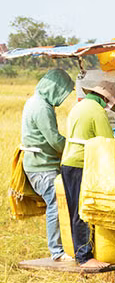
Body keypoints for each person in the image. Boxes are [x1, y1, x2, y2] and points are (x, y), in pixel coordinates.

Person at [61, 81, 115, 271]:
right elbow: (107, 141)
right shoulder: (97, 110)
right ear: (105, 98)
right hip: (81, 164)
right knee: (84, 211)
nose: (107, 105)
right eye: (108, 102)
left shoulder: (79, 106)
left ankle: (79, 253)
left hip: (68, 162)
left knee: (75, 210)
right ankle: (85, 257)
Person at [20, 69, 74, 261]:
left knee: (57, 205)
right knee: (55, 205)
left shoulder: (33, 101)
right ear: (54, 88)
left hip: (36, 165)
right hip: (42, 167)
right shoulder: (42, 107)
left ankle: (62, 247)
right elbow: (54, 140)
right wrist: (74, 146)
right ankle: (57, 252)